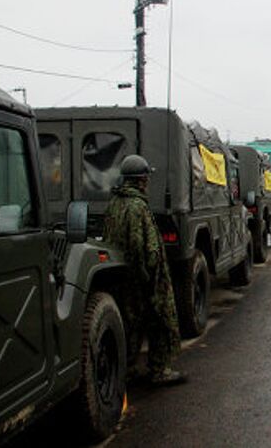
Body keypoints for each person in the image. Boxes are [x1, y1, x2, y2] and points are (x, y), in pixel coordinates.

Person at [103, 154, 186, 385]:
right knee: (160, 321)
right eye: (146, 177)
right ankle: (159, 370)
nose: (148, 181)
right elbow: (143, 246)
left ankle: (127, 368)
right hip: (143, 277)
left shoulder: (115, 203)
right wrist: (149, 276)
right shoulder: (138, 206)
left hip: (121, 277)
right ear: (140, 180)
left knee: (131, 324)